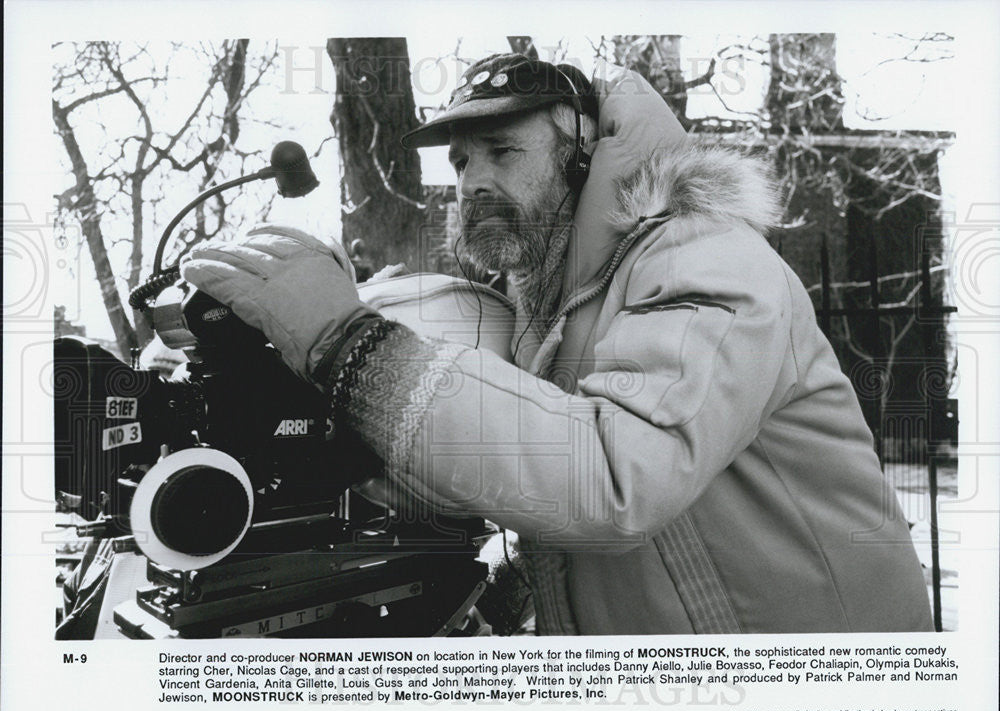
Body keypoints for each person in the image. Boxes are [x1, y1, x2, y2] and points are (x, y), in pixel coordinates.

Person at [182, 53, 933, 635]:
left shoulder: (701, 255)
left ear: (581, 150)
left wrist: (351, 343)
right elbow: (522, 476)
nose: (471, 180)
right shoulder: (552, 305)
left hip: (817, 686)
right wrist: (350, 441)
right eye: (462, 161)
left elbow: (614, 475)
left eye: (501, 151)